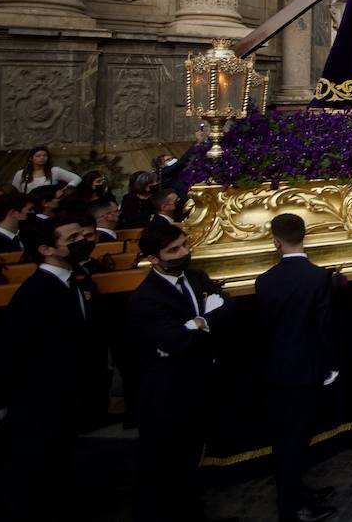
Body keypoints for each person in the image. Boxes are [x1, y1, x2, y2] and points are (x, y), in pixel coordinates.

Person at [0, 212, 95, 521]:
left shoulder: (70, 279)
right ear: (47, 249)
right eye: (72, 239)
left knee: (59, 460)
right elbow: (14, 349)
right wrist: (2, 398)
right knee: (39, 468)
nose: (83, 241)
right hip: (41, 397)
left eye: (82, 236)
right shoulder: (36, 292)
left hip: (65, 393)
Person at [128, 221, 235, 522]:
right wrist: (203, 321)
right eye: (173, 250)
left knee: (191, 458)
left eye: (185, 245)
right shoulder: (146, 298)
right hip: (169, 394)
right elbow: (177, 341)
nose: (184, 252)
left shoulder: (196, 277)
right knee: (169, 465)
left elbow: (226, 308)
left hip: (200, 384)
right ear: (154, 259)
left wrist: (199, 323)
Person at [255, 213, 338, 522]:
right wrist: (330, 365)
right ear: (305, 236)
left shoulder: (264, 281)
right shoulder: (317, 277)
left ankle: (297, 491)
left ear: (275, 241)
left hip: (278, 368)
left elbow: (265, 329)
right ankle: (291, 506)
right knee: (295, 438)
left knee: (289, 437)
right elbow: (324, 327)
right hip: (308, 367)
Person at [10, 145, 80, 194]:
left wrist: (63, 191)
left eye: (45, 155)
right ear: (31, 158)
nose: (42, 158)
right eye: (38, 156)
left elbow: (76, 178)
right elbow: (15, 191)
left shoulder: (54, 171)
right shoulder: (21, 173)